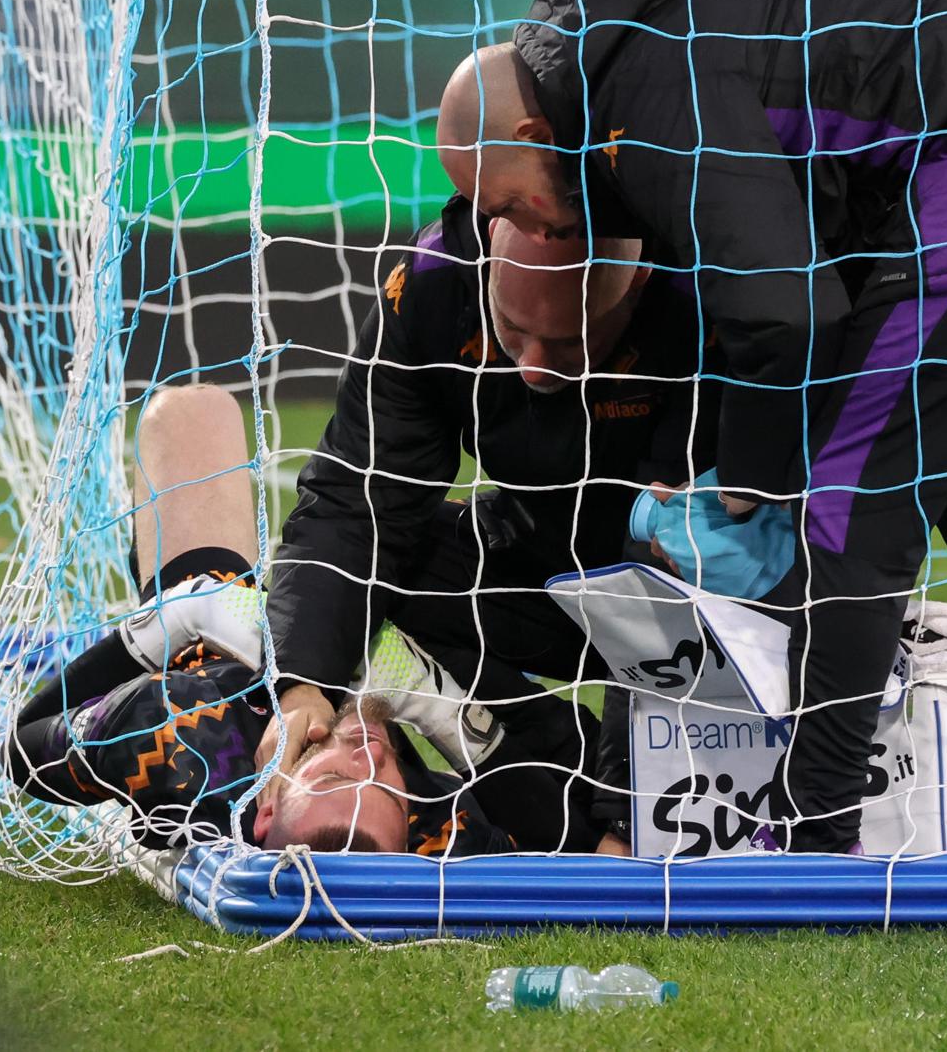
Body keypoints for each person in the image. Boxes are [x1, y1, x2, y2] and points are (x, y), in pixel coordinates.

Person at [435, 0, 947, 852]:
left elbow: (786, 313)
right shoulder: (681, 49)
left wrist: (748, 478)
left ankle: (813, 832)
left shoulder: (642, 96)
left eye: (503, 202)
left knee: (851, 509)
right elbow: (816, 278)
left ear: (529, 137)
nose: (508, 226)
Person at [258, 199, 723, 855]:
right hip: (540, 562)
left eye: (567, 341)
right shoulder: (433, 284)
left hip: (700, 593)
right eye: (512, 329)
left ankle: (625, 809)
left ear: (637, 283)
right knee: (378, 588)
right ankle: (557, 783)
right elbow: (357, 502)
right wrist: (300, 682)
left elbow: (662, 567)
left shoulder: (703, 292)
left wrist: (627, 814)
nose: (533, 366)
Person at [4, 384, 515, 855]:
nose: (369, 753)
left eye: (335, 778)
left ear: (266, 809)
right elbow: (552, 826)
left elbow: (23, 751)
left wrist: (172, 621)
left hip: (217, 625)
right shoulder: (432, 828)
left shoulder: (176, 739)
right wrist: (450, 719)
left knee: (192, 411)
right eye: (389, 789)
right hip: (368, 617)